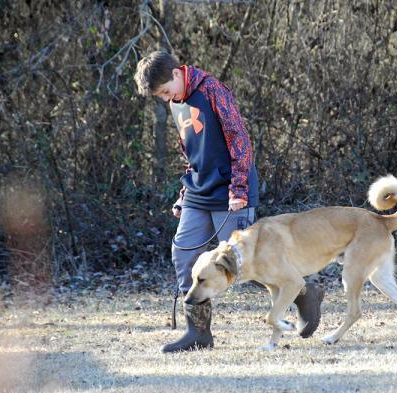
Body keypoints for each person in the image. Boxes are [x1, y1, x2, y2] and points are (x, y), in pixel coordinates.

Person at [134, 50, 324, 353]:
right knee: (183, 254)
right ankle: (198, 333)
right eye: (160, 96)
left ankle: (304, 293)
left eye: (164, 91)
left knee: (248, 264)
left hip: (232, 191)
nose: (164, 98)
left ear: (175, 73)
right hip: (198, 193)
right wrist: (184, 196)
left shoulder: (212, 91)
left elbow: (239, 139)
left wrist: (239, 188)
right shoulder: (175, 103)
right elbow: (191, 155)